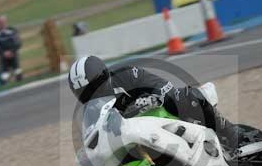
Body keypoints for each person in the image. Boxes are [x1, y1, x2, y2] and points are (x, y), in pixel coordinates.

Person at [68, 56, 242, 148]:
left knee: (183, 98)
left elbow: (162, 86)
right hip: (139, 134)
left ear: (104, 76)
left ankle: (230, 132)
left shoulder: (127, 75)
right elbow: (91, 137)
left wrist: (152, 98)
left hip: (159, 110)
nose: (92, 94)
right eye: (85, 92)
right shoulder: (90, 112)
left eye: (93, 87)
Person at [0, 15, 23, 82]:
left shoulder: (12, 30)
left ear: (6, 22)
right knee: (4, 76)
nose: (1, 24)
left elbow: (18, 42)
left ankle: (20, 81)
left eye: (2, 22)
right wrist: (3, 53)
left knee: (17, 71)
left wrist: (11, 51)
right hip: (3, 57)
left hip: (13, 55)